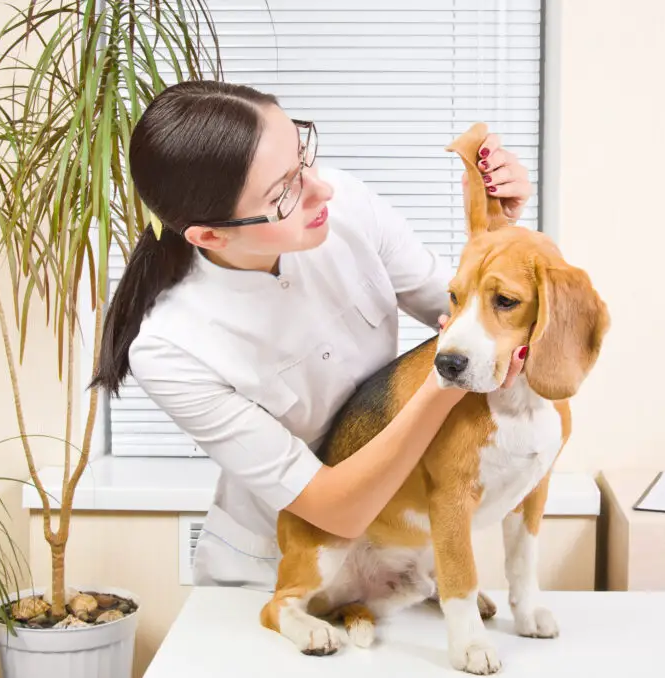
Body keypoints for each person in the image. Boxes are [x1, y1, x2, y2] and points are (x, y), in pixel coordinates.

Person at [90, 80, 536, 589]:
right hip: (280, 569)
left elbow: (476, 323)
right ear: (210, 235)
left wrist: (498, 232)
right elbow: (333, 509)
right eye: (283, 192)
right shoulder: (170, 347)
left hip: (396, 554)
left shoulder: (344, 206)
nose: (321, 189)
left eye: (303, 156)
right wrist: (442, 385)